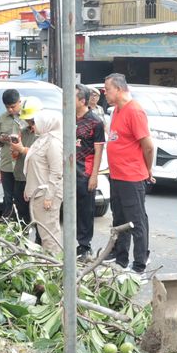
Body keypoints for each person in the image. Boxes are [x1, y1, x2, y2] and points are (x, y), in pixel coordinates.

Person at [102, 73, 155, 273]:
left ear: (119, 89)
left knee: (136, 220)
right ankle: (120, 257)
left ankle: (140, 263)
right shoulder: (116, 110)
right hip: (117, 174)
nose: (104, 93)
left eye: (107, 89)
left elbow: (148, 146)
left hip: (132, 175)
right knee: (120, 219)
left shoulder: (134, 111)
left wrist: (147, 169)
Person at [22, 109, 64, 255]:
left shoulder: (53, 143)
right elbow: (34, 167)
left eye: (34, 123)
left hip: (47, 195)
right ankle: (48, 265)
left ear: (46, 123)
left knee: (50, 234)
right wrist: (28, 189)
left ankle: (56, 267)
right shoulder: (41, 139)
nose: (32, 126)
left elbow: (56, 172)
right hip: (38, 193)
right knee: (44, 233)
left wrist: (48, 197)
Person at [73, 86, 106, 258]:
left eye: (73, 97)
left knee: (86, 211)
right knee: (70, 210)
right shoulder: (68, 118)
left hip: (85, 174)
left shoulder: (95, 122)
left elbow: (99, 151)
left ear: (82, 101)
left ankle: (84, 245)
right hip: (68, 172)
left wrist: (94, 175)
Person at [0, 89, 27, 221]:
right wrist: (1, 139)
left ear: (19, 102)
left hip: (22, 162)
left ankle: (23, 220)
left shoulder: (27, 117)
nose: (11, 110)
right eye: (7, 107)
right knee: (8, 195)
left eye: (13, 107)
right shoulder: (1, 119)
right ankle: (8, 219)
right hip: (7, 163)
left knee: (21, 195)